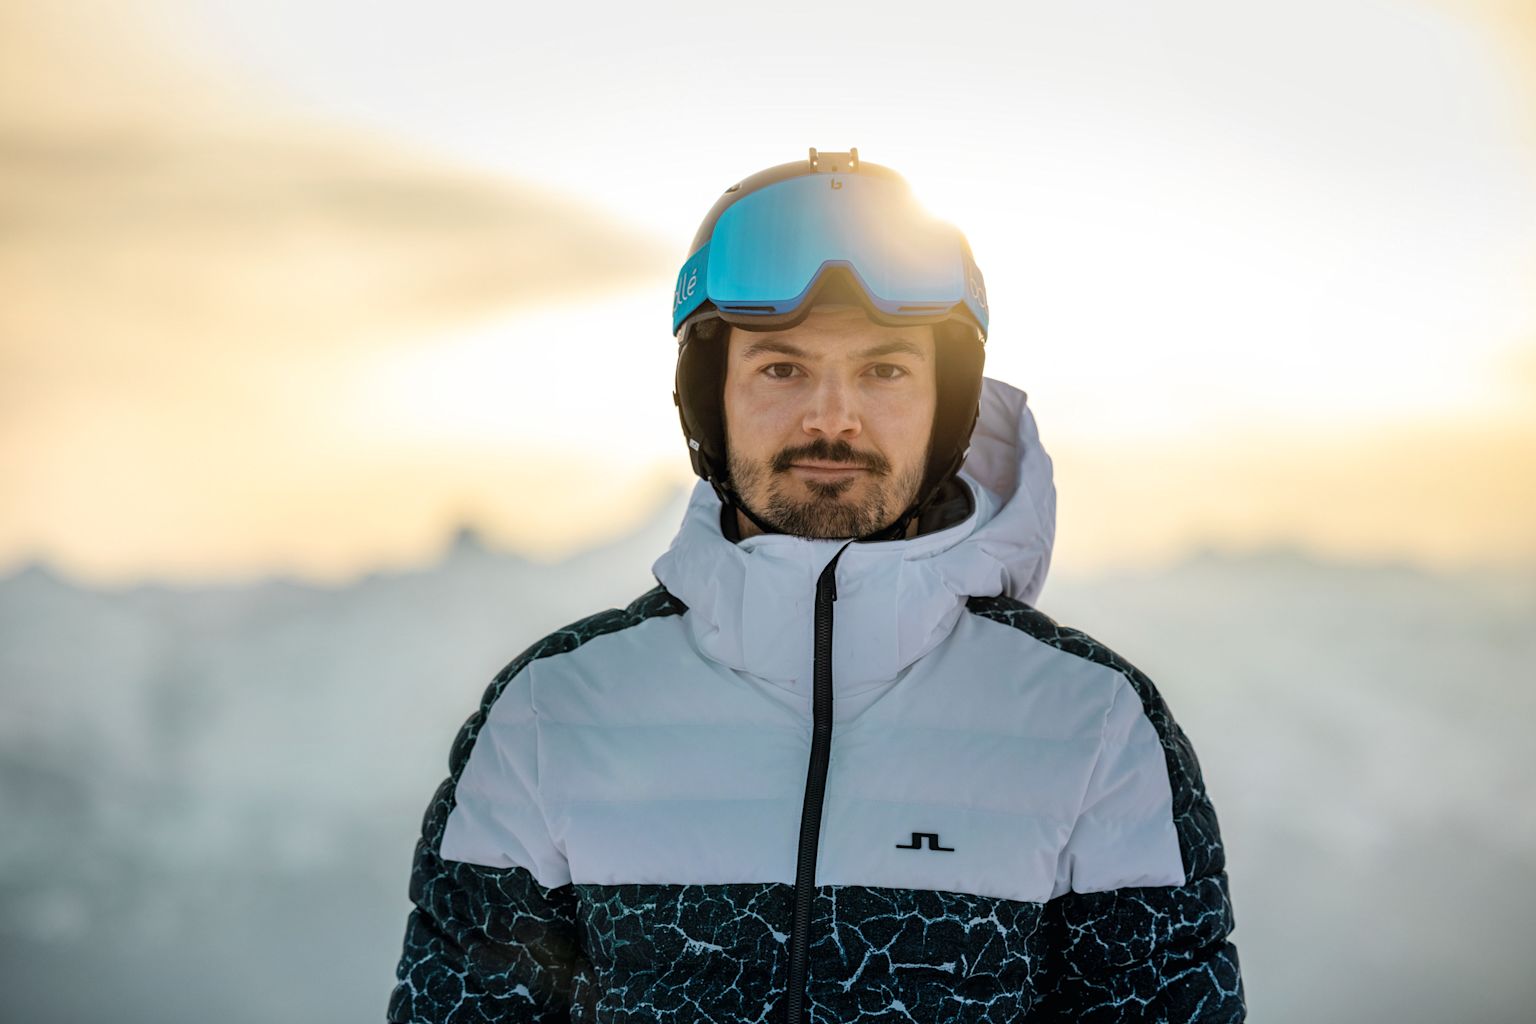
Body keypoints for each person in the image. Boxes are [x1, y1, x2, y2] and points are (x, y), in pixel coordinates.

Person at [387, 148, 1245, 1022]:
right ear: (706, 397)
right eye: (782, 368)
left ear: (949, 406)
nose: (832, 417)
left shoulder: (1093, 725)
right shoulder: (552, 713)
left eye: (885, 370)